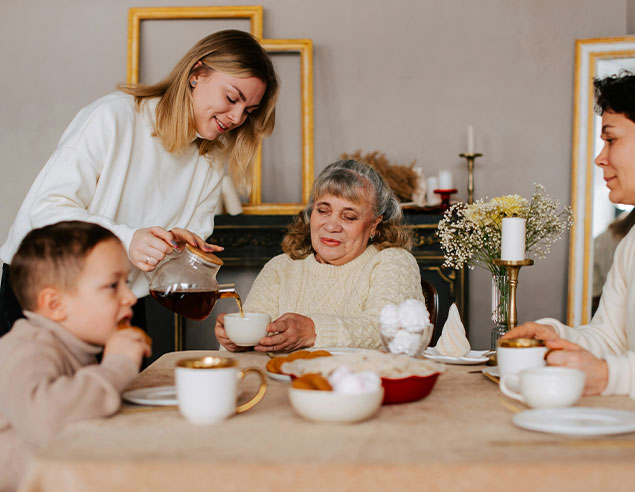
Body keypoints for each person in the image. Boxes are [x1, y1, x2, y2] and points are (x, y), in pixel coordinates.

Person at [0, 29, 279, 337]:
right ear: (196, 73)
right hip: (45, 288)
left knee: (129, 385)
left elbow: (177, 252)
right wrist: (127, 239)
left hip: (119, 299)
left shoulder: (211, 157)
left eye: (249, 111)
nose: (237, 118)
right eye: (231, 98)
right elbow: (45, 211)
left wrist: (174, 246)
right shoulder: (114, 117)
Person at [502, 69, 635, 433]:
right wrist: (553, 337)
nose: (600, 158)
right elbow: (609, 338)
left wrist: (609, 376)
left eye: (611, 140)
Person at [0, 221, 152, 491]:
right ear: (56, 305)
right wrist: (118, 365)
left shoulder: (78, 346)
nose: (129, 297)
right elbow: (44, 420)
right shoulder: (29, 347)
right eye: (112, 286)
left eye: (126, 283)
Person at [214, 159, 424, 352]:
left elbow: (389, 332)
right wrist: (238, 342)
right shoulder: (280, 268)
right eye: (323, 211)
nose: (331, 226)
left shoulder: (394, 262)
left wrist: (313, 331)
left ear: (374, 226)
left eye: (349, 216)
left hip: (360, 387)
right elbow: (253, 337)